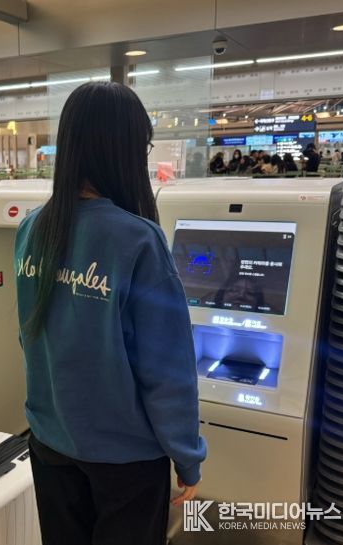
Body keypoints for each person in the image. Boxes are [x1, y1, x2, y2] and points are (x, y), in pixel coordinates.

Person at [15, 82, 206, 545]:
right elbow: (167, 372)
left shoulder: (31, 228)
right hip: (126, 463)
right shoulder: (139, 240)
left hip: (50, 444)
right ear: (125, 149)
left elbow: (31, 337)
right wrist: (187, 458)